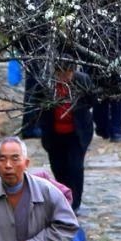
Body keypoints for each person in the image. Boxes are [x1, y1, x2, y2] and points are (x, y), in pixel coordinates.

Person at [38, 54, 95, 212]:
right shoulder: (47, 84)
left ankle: (75, 203)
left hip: (77, 134)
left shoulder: (82, 80)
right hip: (54, 134)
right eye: (61, 73)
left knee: (75, 168)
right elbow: (38, 105)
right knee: (59, 168)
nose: (64, 77)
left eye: (68, 73)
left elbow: (92, 100)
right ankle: (63, 198)